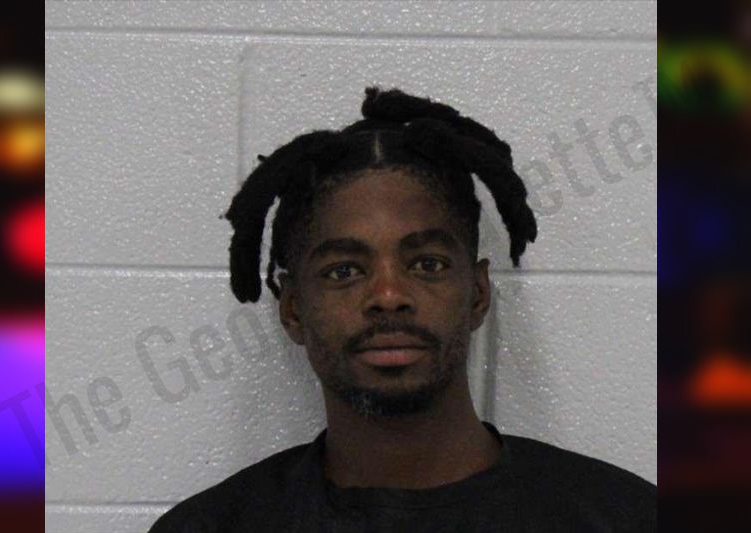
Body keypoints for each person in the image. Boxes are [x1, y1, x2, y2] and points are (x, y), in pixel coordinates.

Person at [149, 87, 656, 532]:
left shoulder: (627, 519)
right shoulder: (211, 527)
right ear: (293, 310)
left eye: (427, 264)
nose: (388, 295)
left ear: (478, 294)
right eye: (344, 270)